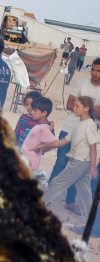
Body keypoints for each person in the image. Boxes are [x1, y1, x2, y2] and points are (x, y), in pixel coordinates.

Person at [43, 96, 98, 230]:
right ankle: (88, 221)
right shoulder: (78, 124)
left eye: (77, 106)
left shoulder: (90, 124)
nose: (74, 108)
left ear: (86, 109)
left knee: (57, 182)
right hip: (79, 161)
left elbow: (93, 146)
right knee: (84, 192)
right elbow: (64, 141)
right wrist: (47, 145)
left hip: (81, 161)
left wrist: (92, 166)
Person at [21, 96, 59, 182]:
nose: (32, 112)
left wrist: (39, 147)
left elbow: (55, 143)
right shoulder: (39, 125)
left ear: (44, 113)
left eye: (35, 110)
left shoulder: (44, 128)